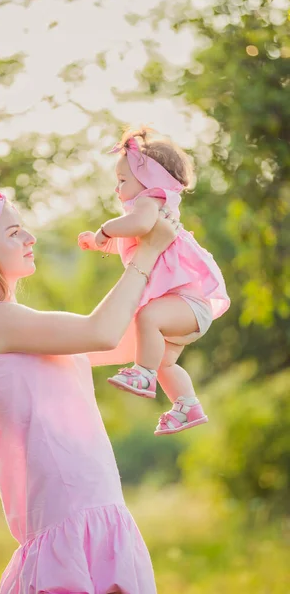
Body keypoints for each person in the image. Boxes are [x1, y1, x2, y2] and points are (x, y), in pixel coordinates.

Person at [0, 183, 180, 593]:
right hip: (70, 506)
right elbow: (100, 332)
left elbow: (128, 339)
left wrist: (181, 280)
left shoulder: (19, 322)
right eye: (13, 233)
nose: (30, 238)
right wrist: (147, 254)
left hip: (91, 498)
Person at [78, 128, 230, 435]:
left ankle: (142, 374)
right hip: (183, 312)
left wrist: (105, 229)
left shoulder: (150, 201)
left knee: (147, 319)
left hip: (187, 305)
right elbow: (133, 236)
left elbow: (139, 224)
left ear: (149, 180)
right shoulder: (148, 209)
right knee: (166, 363)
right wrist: (100, 243)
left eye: (123, 180)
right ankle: (186, 406)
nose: (117, 189)